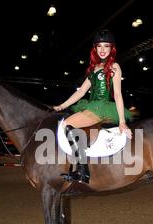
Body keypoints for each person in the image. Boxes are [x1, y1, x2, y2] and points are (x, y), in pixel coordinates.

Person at [53, 29, 132, 184]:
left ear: (111, 49)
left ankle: (83, 172)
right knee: (68, 121)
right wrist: (62, 106)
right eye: (99, 46)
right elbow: (81, 91)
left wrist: (122, 122)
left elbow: (117, 94)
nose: (102, 49)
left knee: (68, 124)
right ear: (95, 49)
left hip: (102, 107)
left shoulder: (114, 66)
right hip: (90, 105)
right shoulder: (93, 68)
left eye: (106, 46)